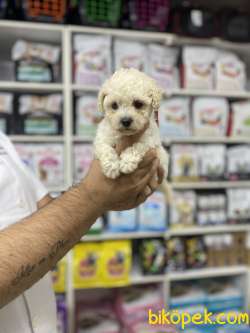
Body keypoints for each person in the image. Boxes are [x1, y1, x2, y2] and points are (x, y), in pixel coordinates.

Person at [0, 131, 163, 333]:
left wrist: (115, 189)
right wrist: (92, 196)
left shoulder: (3, 141)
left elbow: (46, 212)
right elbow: (80, 205)